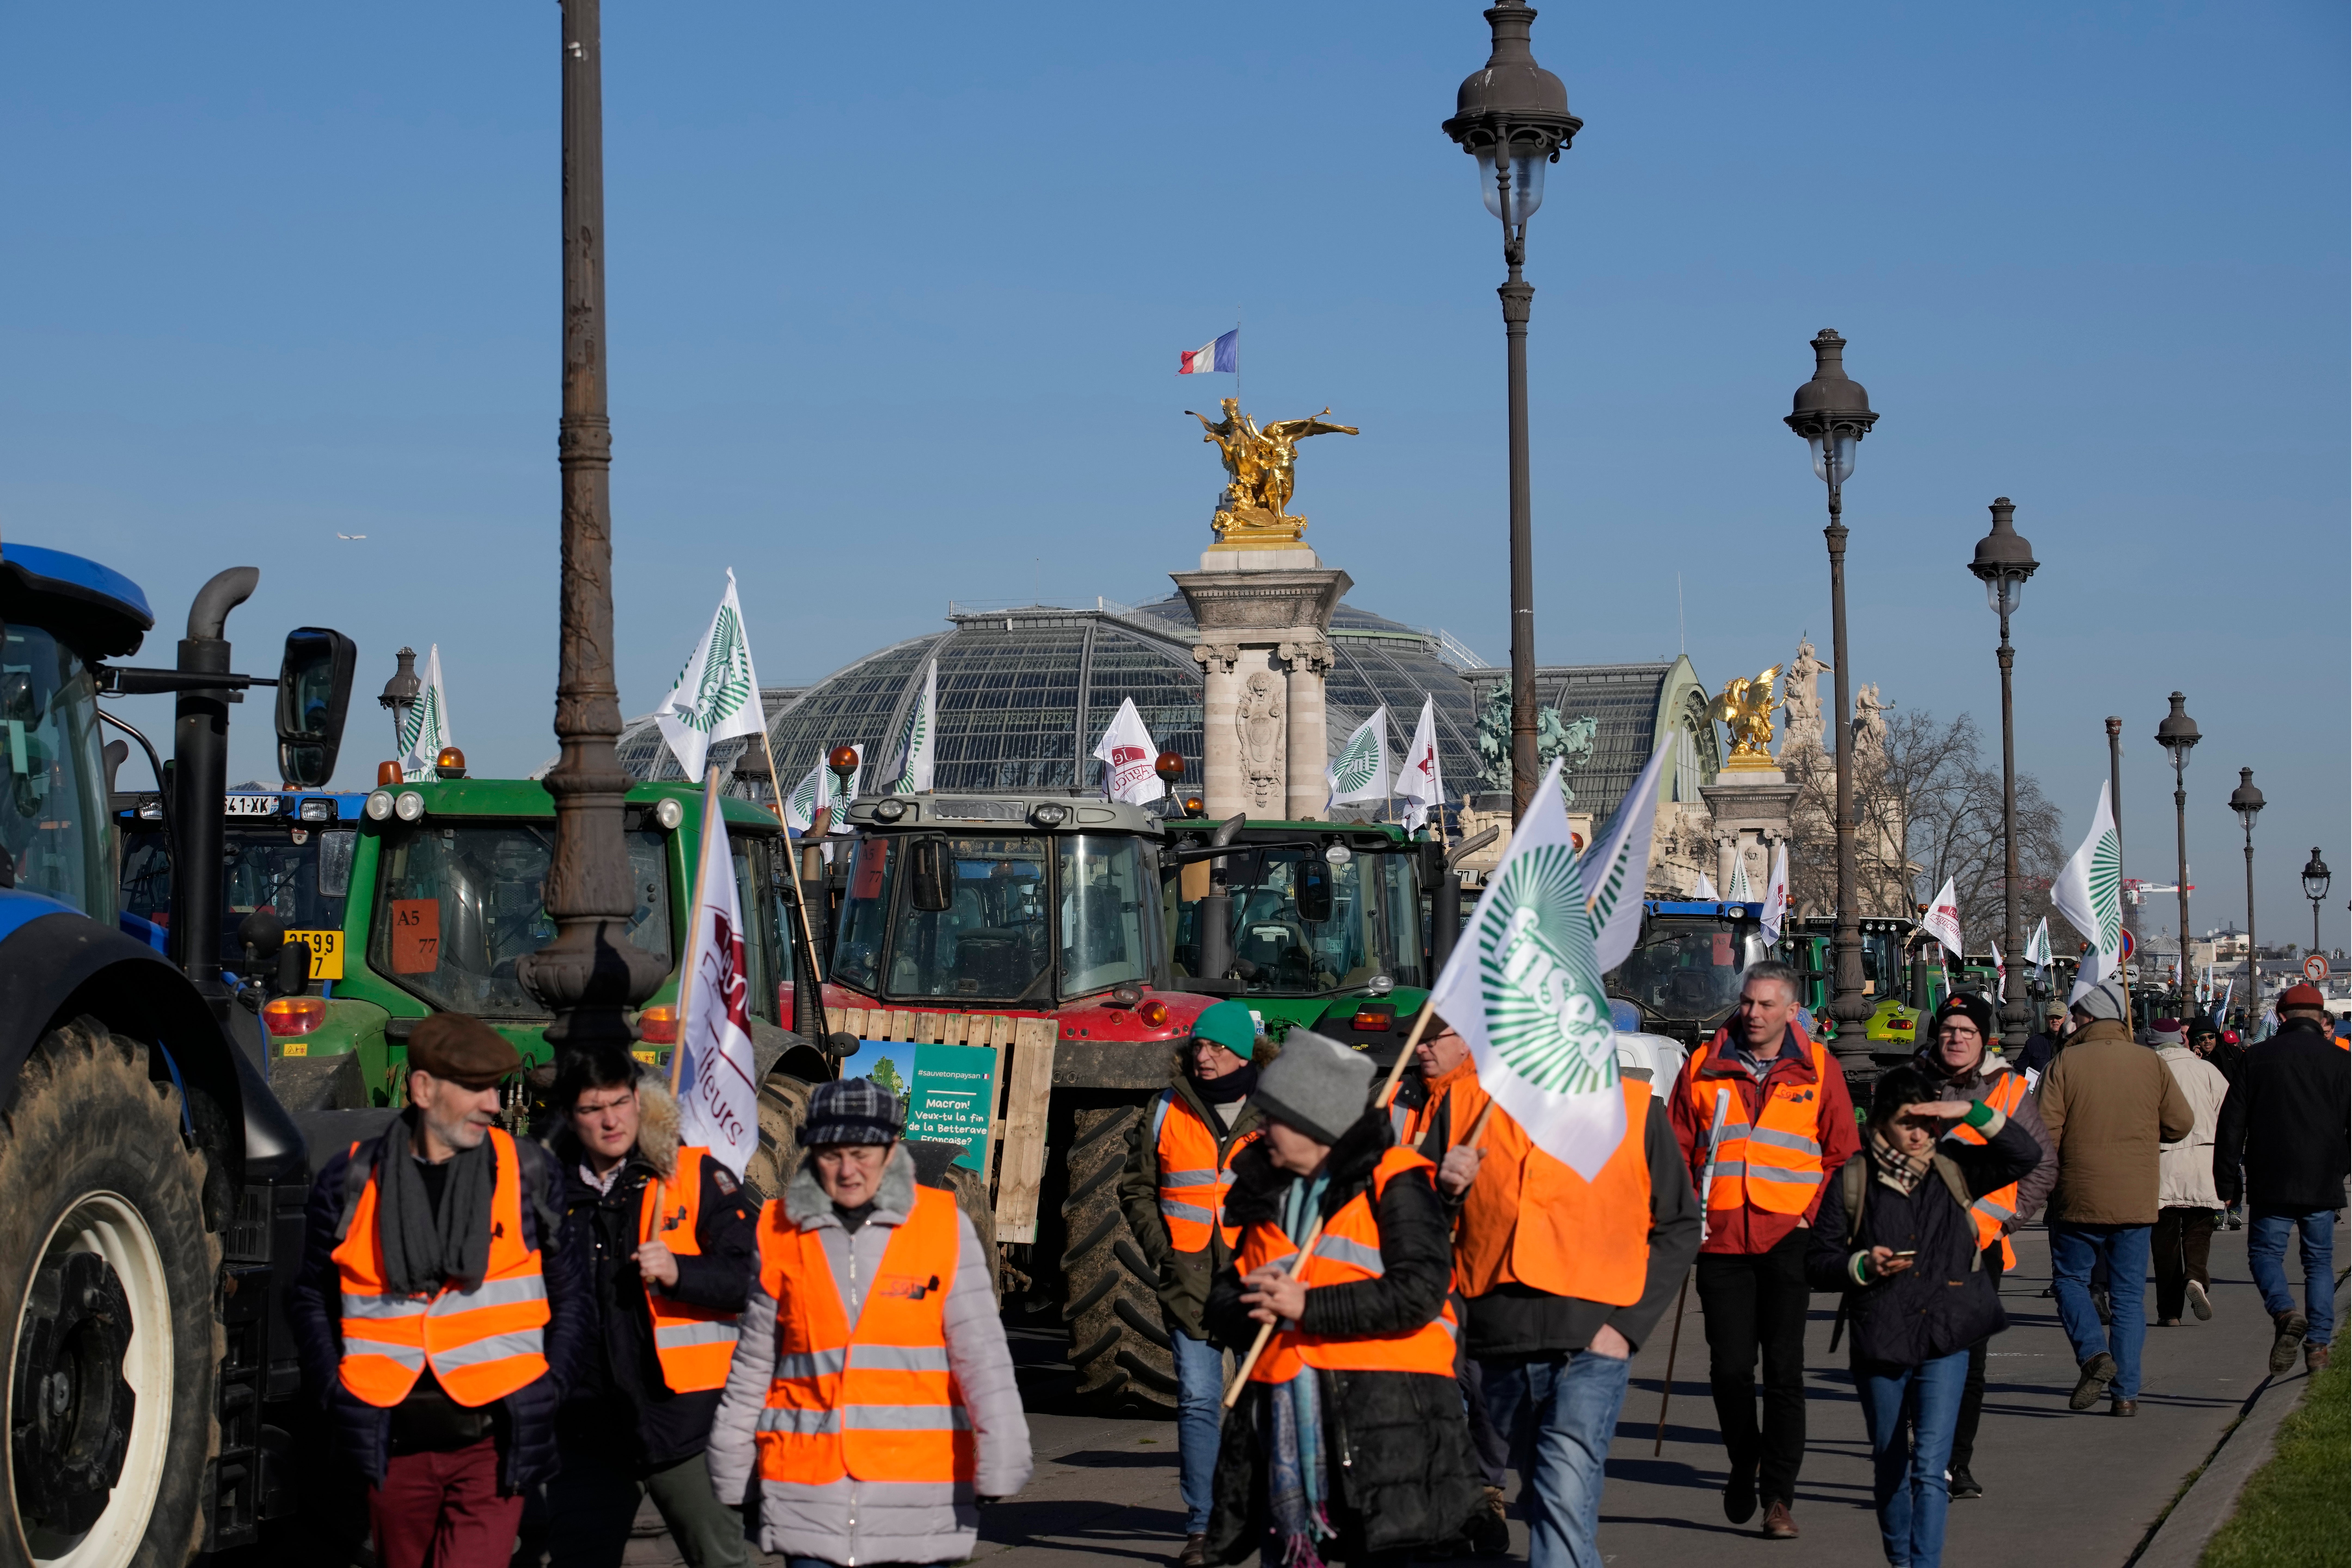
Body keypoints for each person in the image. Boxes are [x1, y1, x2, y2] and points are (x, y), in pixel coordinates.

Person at [289, 1014, 586, 1568]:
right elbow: (311, 1296)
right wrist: (335, 1388)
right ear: (423, 1089)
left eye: (496, 1088)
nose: (494, 1104)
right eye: (475, 1088)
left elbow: (571, 1292)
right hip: (393, 1440)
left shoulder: (528, 1173)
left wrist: (554, 1383)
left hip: (494, 1444)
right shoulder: (352, 1179)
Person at [706, 1076, 1031, 1564]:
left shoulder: (943, 1227)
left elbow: (982, 1357)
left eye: (863, 1154)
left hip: (917, 1496)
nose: (848, 1170)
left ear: (892, 1148)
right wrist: (732, 1462)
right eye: (833, 1154)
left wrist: (1002, 1455)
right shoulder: (778, 1231)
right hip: (809, 1493)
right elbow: (756, 1360)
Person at [1430, 1013, 1702, 1568]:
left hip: (1592, 1344)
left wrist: (1625, 1329)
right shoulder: (1464, 1108)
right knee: (1553, 1501)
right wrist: (1444, 1190)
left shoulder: (1634, 1109)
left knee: (1562, 1496)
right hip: (1499, 1343)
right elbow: (1413, 1223)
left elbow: (1678, 1224)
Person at [1205, 1030, 1482, 1566]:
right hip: (1283, 1422)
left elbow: (1420, 1292)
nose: (1261, 1130)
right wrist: (1244, 1307)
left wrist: (1308, 1307)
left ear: (1316, 1122)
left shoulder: (1396, 1182)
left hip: (1389, 1429)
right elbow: (1226, 1295)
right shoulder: (1265, 1190)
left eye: (1274, 1117)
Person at [520, 1045, 760, 1567]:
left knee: (721, 1561)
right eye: (592, 1109)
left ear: (639, 1102)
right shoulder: (543, 1193)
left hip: (685, 1424)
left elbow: (752, 1280)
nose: (610, 1120)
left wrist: (681, 1273)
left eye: (621, 1103)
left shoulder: (694, 1176)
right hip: (587, 1426)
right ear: (567, 1116)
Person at [1807, 1064, 2045, 1568]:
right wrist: (1862, 1265)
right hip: (1882, 1337)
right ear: (1879, 1126)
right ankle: (1902, 1560)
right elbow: (1818, 1263)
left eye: (1925, 1122)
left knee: (1930, 1467)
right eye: (1905, 1122)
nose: (1918, 1134)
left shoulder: (1953, 1164)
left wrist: (1972, 1112)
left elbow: (2027, 1154)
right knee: (1891, 1463)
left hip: (1946, 1334)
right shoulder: (1853, 1178)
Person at [1668, 960, 1861, 1539]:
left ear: (1792, 1012)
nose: (1753, 1014)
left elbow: (1841, 1153)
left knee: (1784, 1373)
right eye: (1748, 1003)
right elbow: (1676, 1147)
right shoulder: (1702, 1065)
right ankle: (1743, 1459)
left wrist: (1811, 1216)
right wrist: (1686, 1217)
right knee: (1729, 1369)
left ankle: (1779, 1498)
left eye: (1767, 1005)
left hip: (1789, 1239)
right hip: (1721, 1238)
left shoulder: (1820, 1067)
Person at [1118, 999, 1268, 1568]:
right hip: (1191, 1283)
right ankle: (1202, 1530)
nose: (1203, 1057)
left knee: (1262, 1406)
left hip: (1259, 1283)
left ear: (1242, 1053)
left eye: (1216, 1048)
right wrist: (1164, 1253)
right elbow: (1137, 1188)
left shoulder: (1276, 1110)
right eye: (1198, 1046)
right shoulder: (1166, 1108)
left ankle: (1259, 1510)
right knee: (1200, 1400)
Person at [1912, 992, 2053, 1500]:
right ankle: (1923, 1443)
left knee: (1971, 1359)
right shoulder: (1910, 1084)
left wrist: (2012, 1219)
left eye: (1967, 1031)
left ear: (1983, 1039)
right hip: (1916, 1246)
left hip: (1978, 1246)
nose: (1956, 1038)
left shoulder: (2009, 1091)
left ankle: (1956, 1462)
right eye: (1949, 1029)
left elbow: (2041, 1164)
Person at [2036, 979, 2194, 1416]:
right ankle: (2126, 1394)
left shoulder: (2064, 1063)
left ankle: (2093, 1355)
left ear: (2085, 1018)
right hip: (2136, 1198)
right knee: (2128, 1297)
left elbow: (2044, 1135)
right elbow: (2180, 1124)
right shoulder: (2150, 1063)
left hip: (2077, 1196)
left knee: (2071, 1281)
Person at [1391, 1013, 1515, 1556]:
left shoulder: (1485, 1098)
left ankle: (1488, 1485)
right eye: (1415, 1040)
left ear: (1466, 1042)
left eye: (1432, 1040)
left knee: (1483, 1387)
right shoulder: (1397, 1097)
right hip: (1414, 1260)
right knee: (1432, 1382)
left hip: (1475, 1260)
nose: (1421, 1049)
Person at [2215, 982, 2351, 1375]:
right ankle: (2319, 1347)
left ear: (2281, 1015)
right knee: (2319, 1264)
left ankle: (2284, 1311)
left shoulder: (2256, 1058)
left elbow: (2231, 1126)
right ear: (2320, 1016)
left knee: (2265, 1255)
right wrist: (2340, 1166)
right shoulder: (2341, 1061)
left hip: (2271, 1175)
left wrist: (2229, 1183)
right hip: (2322, 1177)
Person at [2151, 1020, 2230, 1330]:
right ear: (2180, 1042)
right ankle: (2196, 1277)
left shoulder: (2149, 1073)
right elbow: (2229, 1113)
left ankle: (2169, 1312)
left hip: (2162, 1164)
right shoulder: (2206, 1070)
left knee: (2165, 1242)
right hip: (2204, 1161)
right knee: (2199, 1229)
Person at [2017, 1000, 2071, 1080]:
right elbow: (2019, 1071)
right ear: (2046, 1018)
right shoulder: (2034, 1043)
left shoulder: (2073, 1042)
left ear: (2066, 1018)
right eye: (2051, 1017)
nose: (2055, 1020)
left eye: (2059, 1017)